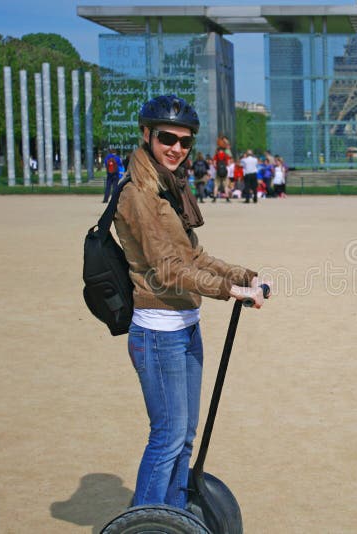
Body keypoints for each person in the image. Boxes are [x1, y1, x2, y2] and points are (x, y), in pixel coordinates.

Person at [114, 94, 268, 510]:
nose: (177, 149)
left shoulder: (168, 189)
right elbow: (165, 268)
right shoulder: (138, 195)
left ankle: (176, 516)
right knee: (167, 437)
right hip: (158, 331)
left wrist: (243, 274)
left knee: (184, 437)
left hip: (184, 326)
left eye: (184, 142)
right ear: (146, 135)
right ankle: (146, 522)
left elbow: (193, 256)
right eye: (167, 138)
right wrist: (228, 291)